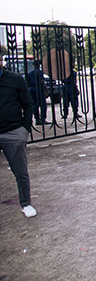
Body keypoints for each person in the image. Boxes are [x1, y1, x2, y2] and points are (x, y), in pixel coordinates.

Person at [0, 54, 37, 218]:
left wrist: (25, 129)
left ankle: (26, 203)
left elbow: (28, 104)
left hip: (13, 132)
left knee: (20, 171)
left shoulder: (15, 80)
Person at [26, 60, 49, 125]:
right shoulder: (40, 73)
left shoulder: (30, 73)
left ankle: (37, 119)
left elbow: (27, 82)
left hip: (32, 90)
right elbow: (42, 82)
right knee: (43, 105)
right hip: (39, 89)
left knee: (35, 105)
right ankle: (43, 119)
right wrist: (45, 91)